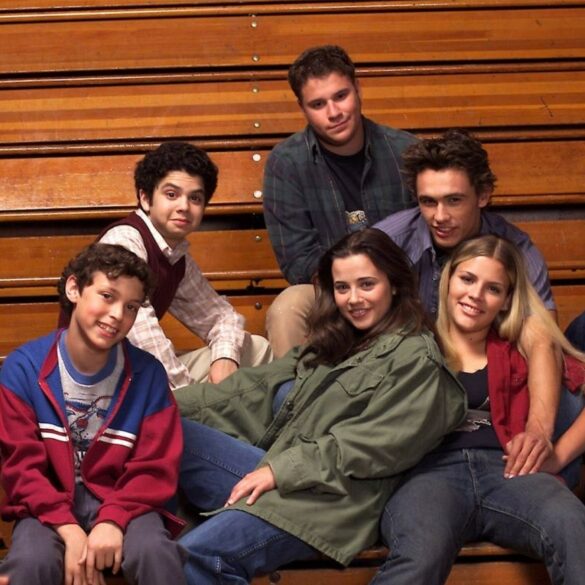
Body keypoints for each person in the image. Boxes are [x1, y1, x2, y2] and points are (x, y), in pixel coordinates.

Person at [174, 228, 467, 584]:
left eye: (366, 285)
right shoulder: (334, 342)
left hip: (330, 503)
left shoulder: (416, 358)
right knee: (160, 426)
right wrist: (152, 404)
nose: (353, 299)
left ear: (394, 284)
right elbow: (248, 389)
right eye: (342, 287)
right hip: (279, 473)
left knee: (194, 557)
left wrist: (281, 470)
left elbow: (371, 445)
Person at [370, 235, 585, 585]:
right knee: (421, 553)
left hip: (508, 470)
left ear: (506, 300)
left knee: (573, 525)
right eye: (467, 279)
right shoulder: (411, 341)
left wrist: (557, 456)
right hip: (429, 474)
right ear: (448, 280)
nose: (475, 295)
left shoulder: (519, 346)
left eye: (493, 289)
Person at [375, 129, 563, 479]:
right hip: (406, 371)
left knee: (563, 393)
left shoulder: (515, 248)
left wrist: (538, 430)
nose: (439, 216)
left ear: (483, 195)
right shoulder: (389, 241)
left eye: (454, 200)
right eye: (428, 202)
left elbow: (542, 338)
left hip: (487, 369)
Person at [0, 243, 185, 585]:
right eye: (107, 296)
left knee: (155, 552)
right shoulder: (22, 369)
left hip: (125, 500)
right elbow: (22, 469)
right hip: (46, 507)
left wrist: (113, 519)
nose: (117, 314)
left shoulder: (149, 375)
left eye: (130, 307)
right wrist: (69, 529)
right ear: (74, 289)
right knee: (30, 561)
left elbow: (154, 467)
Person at [263, 44, 418, 357]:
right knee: (288, 307)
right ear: (302, 108)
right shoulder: (286, 163)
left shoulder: (406, 152)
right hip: (331, 292)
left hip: (401, 289)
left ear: (358, 88)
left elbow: (425, 238)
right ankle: (296, 390)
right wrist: (352, 286)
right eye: (318, 104)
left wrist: (379, 286)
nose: (334, 112)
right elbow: (297, 261)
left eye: (341, 96)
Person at [89, 141, 271, 389]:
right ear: (145, 198)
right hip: (101, 383)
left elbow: (222, 317)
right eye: (171, 195)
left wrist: (225, 360)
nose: (184, 207)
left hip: (136, 373)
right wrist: (194, 397)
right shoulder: (124, 241)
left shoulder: (174, 256)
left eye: (195, 198)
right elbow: (144, 339)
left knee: (255, 349)